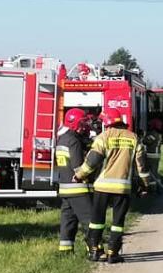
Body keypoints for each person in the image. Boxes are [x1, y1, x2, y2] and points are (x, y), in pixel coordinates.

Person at [73, 107, 149, 263]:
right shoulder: (133, 138)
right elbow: (141, 166)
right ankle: (113, 253)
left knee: (97, 220)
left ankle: (95, 251)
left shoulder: (103, 137)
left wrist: (79, 175)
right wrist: (144, 185)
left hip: (102, 187)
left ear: (107, 123)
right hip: (123, 188)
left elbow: (92, 162)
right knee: (118, 223)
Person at [54, 108, 93, 253]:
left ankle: (65, 250)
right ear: (74, 123)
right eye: (82, 123)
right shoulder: (74, 141)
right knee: (90, 220)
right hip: (78, 189)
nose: (85, 126)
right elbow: (78, 167)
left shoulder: (62, 139)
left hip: (65, 189)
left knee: (68, 221)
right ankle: (95, 248)